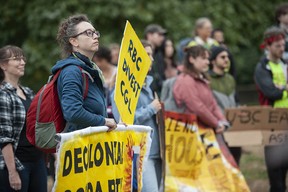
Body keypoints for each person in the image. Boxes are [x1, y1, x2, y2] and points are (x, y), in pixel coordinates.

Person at [111, 40, 162, 192]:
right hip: (140, 153)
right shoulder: (123, 89)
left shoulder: (149, 84)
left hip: (156, 150)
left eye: (151, 55)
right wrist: (151, 109)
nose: (151, 59)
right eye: (147, 55)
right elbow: (123, 120)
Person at [52, 14, 117, 132]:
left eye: (95, 32)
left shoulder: (89, 69)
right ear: (74, 41)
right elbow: (73, 112)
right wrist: (104, 121)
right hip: (78, 146)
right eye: (88, 33)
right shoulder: (72, 71)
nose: (95, 36)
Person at [0, 45, 47, 192]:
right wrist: (12, 173)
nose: (22, 62)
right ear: (3, 65)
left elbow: (39, 127)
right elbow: (4, 138)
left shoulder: (28, 92)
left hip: (37, 161)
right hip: (17, 164)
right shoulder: (3, 95)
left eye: (23, 58)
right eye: (16, 59)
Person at [255, 26, 288, 192]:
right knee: (276, 173)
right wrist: (284, 89)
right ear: (267, 46)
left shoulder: (284, 64)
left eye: (283, 45)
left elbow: (278, 90)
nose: (282, 48)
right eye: (277, 46)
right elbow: (271, 92)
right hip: (272, 123)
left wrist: (281, 87)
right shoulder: (262, 68)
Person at [208, 46, 242, 165]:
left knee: (236, 161)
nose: (226, 59)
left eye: (227, 57)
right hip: (218, 128)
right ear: (213, 61)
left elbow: (236, 100)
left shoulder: (230, 79)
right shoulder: (207, 79)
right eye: (222, 57)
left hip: (233, 128)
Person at [92, 46, 117, 118]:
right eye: (95, 61)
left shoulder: (117, 71)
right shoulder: (95, 74)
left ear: (106, 58)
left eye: (100, 60)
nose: (98, 64)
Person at [144, 24, 167, 97]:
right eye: (159, 34)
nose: (162, 38)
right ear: (149, 35)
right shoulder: (139, 52)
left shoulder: (159, 54)